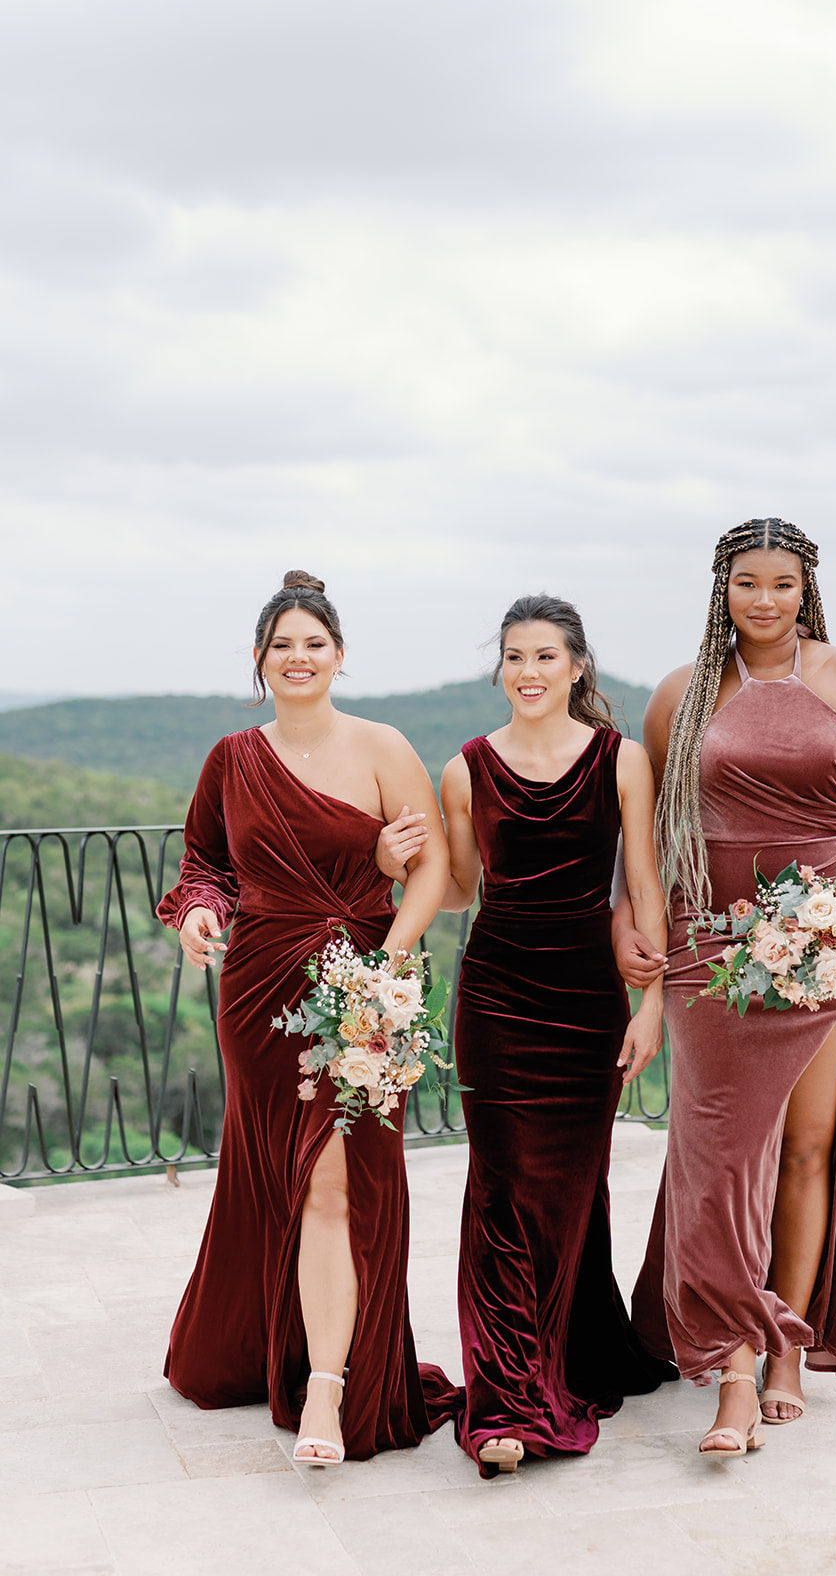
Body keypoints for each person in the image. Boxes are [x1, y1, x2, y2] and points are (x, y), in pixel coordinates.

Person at [615, 519, 836, 1458]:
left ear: (806, 590)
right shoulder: (681, 693)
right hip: (707, 946)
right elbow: (652, 829)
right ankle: (732, 1361)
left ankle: (783, 1350)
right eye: (746, 583)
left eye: (781, 584)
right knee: (718, 1159)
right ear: (721, 588)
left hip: (825, 950)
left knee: (804, 1150)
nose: (764, 600)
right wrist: (628, 919)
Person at [157, 569, 458, 1466]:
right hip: (258, 996)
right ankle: (280, 1349)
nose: (298, 657)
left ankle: (327, 1386)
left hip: (361, 990)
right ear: (259, 658)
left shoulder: (381, 746)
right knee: (279, 1178)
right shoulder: (230, 758)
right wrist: (199, 913)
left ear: (339, 655)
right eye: (281, 645)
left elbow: (435, 873)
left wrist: (386, 967)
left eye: (313, 644)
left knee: (336, 1182)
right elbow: (206, 864)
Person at [436, 593, 676, 1475]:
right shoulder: (464, 769)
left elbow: (642, 887)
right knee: (502, 1190)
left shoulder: (621, 758)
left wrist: (650, 1005)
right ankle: (505, 1400)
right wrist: (394, 862)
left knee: (573, 1189)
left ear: (576, 667)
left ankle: (575, 1350)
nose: (527, 671)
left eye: (544, 656)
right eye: (513, 656)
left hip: (585, 999)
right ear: (498, 668)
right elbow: (458, 890)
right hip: (495, 996)